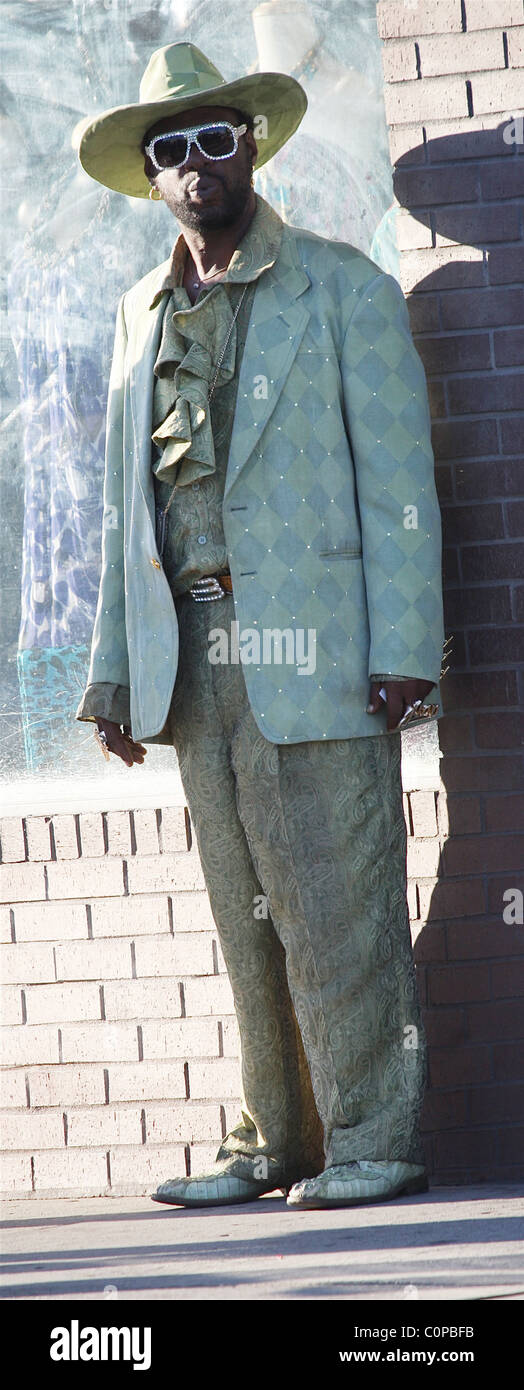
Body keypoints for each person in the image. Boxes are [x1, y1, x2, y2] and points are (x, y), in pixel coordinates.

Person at [75, 41, 445, 1210]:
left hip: (319, 650)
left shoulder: (343, 288)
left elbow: (401, 487)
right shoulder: (137, 317)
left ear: (252, 146)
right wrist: (113, 672)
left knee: (342, 904)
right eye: (169, 150)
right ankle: (272, 1138)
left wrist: (402, 647)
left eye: (214, 138)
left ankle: (372, 1141)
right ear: (150, 176)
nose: (195, 166)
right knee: (248, 920)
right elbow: (120, 509)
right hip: (195, 659)